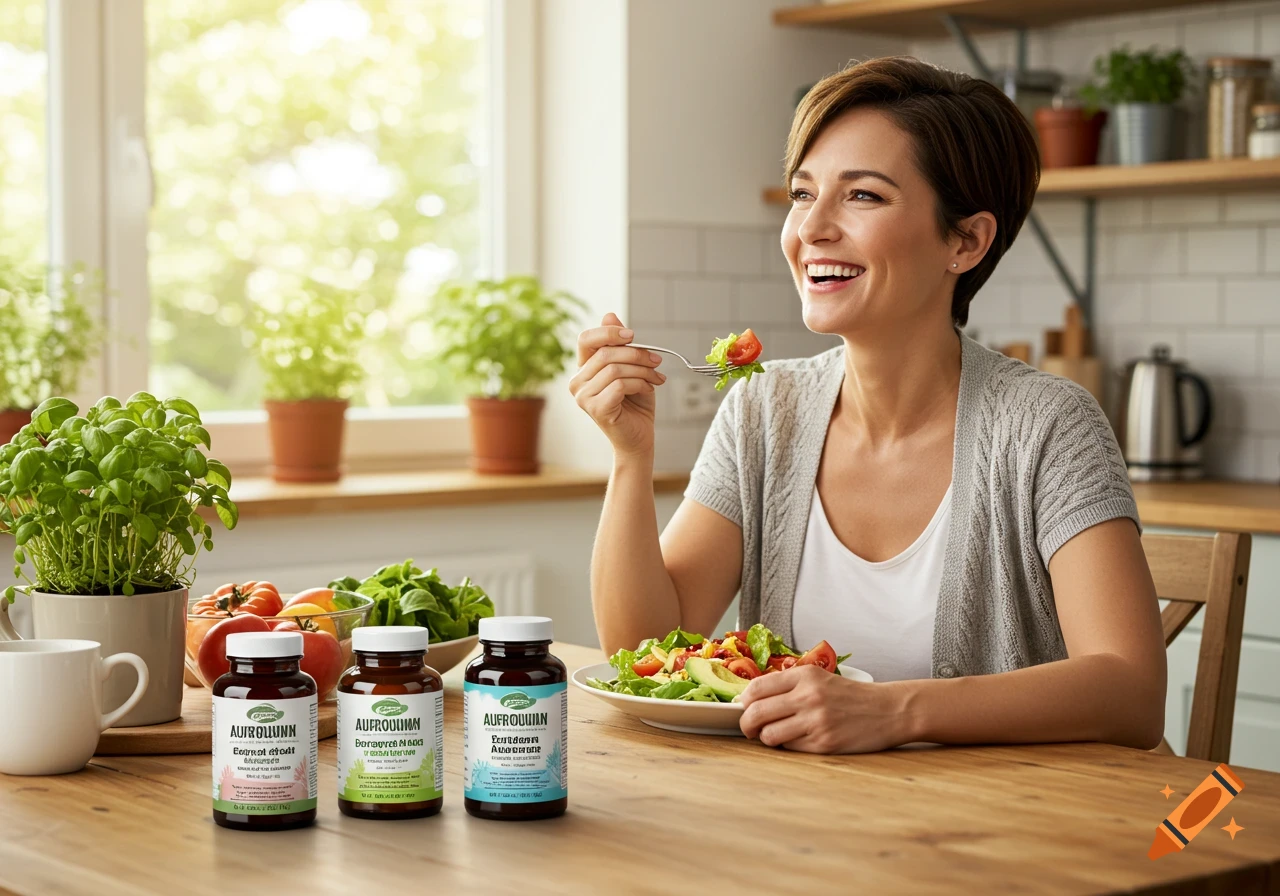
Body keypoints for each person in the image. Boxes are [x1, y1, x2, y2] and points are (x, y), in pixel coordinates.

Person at [570, 57, 1165, 754]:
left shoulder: (1045, 425)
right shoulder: (766, 409)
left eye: (863, 197)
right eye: (802, 194)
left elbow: (1132, 693)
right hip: (821, 827)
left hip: (1009, 837)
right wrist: (628, 458)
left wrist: (891, 712)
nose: (811, 229)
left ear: (966, 241)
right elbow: (642, 651)